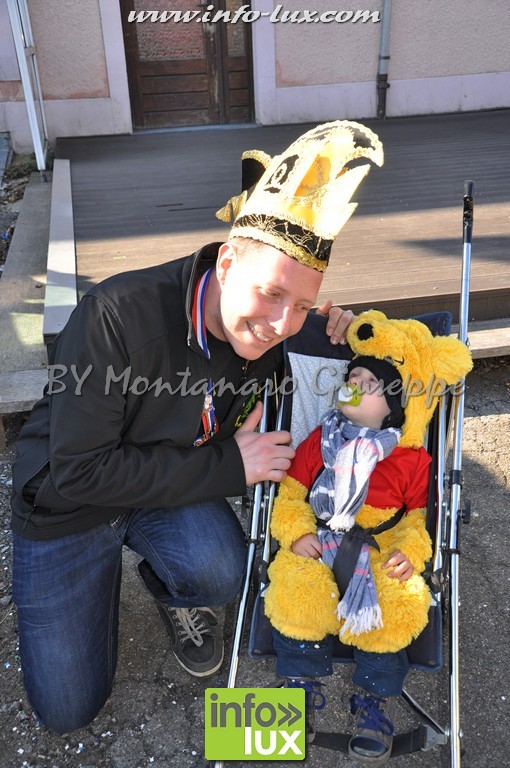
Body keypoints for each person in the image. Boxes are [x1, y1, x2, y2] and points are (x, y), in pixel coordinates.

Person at [10, 121, 384, 734]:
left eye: (302, 304)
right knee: (67, 712)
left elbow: (344, 390)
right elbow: (78, 472)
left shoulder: (278, 332)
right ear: (228, 261)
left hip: (165, 487)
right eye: (271, 294)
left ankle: (165, 585)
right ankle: (93, 584)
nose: (281, 324)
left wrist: (338, 337)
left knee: (221, 569)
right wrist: (230, 466)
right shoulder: (114, 315)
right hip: (67, 506)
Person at [265, 309, 473, 761]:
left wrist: (411, 553)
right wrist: (296, 533)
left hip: (380, 548)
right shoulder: (320, 439)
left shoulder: (411, 461)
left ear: (394, 404)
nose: (353, 383)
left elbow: (417, 519)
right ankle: (297, 691)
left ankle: (373, 703)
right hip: (320, 538)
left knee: (396, 605)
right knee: (294, 590)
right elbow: (291, 495)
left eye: (368, 381)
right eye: (351, 376)